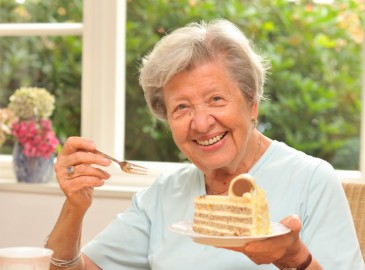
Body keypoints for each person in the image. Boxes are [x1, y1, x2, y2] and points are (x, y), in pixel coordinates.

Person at [46, 19, 364, 269]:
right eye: (181, 107)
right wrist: (74, 208)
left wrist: (295, 259)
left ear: (252, 104)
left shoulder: (311, 180)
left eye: (215, 99)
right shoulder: (161, 196)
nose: (200, 123)